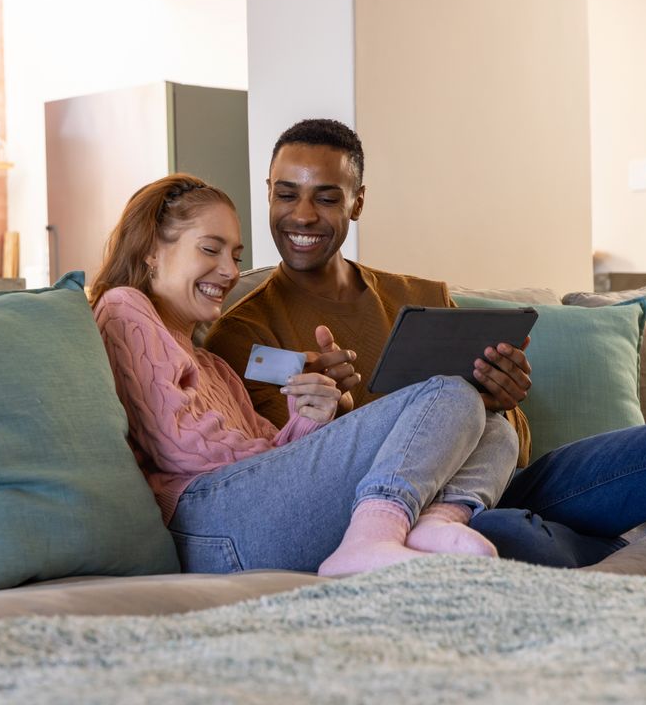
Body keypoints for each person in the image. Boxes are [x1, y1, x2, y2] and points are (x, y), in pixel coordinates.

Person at [205, 118, 646, 568]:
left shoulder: (420, 298)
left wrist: (503, 401)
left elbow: (510, 439)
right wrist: (331, 416)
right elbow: (287, 477)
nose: (302, 214)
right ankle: (603, 549)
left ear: (357, 203)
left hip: (486, 486)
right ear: (267, 192)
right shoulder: (241, 334)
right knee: (512, 534)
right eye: (286, 194)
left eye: (326, 198)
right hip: (385, 514)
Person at [89, 173, 519, 577]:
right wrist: (295, 456)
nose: (228, 271)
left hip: (248, 508)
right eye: (210, 249)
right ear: (151, 251)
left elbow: (269, 452)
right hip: (206, 523)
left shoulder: (212, 365)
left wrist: (310, 419)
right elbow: (181, 447)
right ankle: (372, 537)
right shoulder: (126, 307)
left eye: (235, 256)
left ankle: (433, 522)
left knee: (496, 427)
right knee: (450, 393)